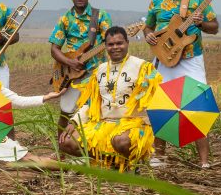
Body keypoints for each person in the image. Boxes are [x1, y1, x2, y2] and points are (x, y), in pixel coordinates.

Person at [144, 0, 218, 168]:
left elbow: (215, 27)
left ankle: (203, 161)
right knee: (159, 105)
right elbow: (148, 25)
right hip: (163, 58)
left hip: (190, 57)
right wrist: (148, 34)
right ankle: (159, 157)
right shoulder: (156, 0)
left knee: (198, 105)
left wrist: (202, 23)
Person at [59, 26, 163, 171]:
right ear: (105, 46)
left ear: (127, 43)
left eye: (119, 43)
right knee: (66, 142)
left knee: (121, 141)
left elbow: (154, 100)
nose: (115, 47)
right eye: (111, 44)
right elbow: (92, 103)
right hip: (103, 124)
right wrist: (74, 122)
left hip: (132, 125)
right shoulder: (100, 70)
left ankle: (131, 165)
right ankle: (111, 163)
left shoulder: (143, 67)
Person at [48, 0, 112, 136]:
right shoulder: (65, 19)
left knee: (96, 111)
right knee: (66, 112)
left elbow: (110, 42)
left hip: (96, 73)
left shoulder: (101, 16)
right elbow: (54, 49)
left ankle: (92, 151)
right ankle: (61, 151)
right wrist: (70, 63)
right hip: (71, 74)